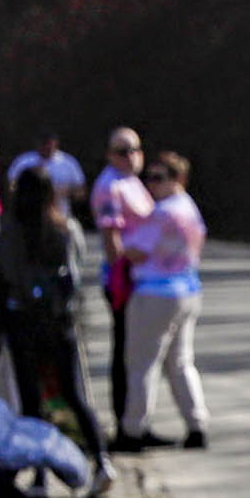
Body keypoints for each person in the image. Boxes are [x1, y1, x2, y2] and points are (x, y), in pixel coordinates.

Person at [0, 168, 113, 498]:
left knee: (31, 402)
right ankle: (102, 461)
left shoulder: (8, 235)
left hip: (20, 322)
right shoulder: (64, 230)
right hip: (58, 324)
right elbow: (75, 279)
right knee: (72, 395)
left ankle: (39, 477)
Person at [117, 151, 210, 449]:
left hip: (155, 293)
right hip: (187, 290)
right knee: (181, 362)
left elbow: (134, 250)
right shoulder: (190, 208)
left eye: (159, 178)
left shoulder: (163, 213)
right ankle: (197, 425)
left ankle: (133, 430)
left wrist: (121, 234)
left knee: (142, 363)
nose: (152, 184)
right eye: (150, 178)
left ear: (178, 179)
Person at [87, 128, 150, 434]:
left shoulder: (133, 182)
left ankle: (139, 418)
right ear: (110, 154)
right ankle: (125, 423)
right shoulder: (109, 186)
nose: (131, 156)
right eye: (123, 151)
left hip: (146, 279)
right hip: (125, 281)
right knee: (125, 351)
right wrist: (121, 278)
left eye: (135, 149)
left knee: (139, 352)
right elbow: (112, 238)